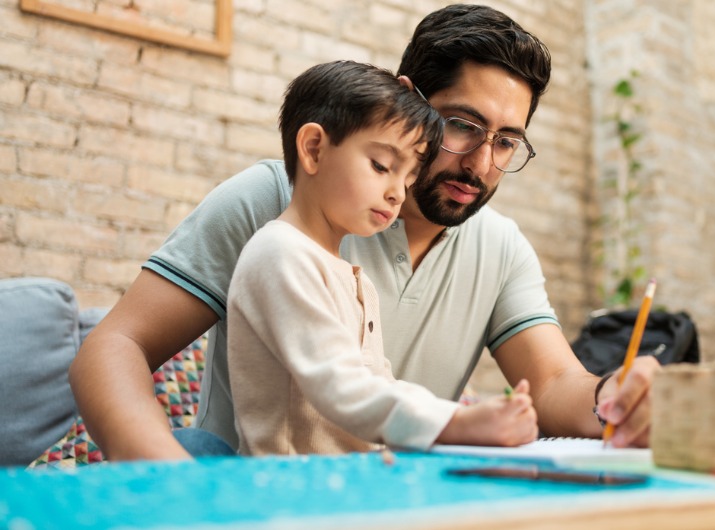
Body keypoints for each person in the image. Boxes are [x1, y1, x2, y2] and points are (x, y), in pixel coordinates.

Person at [69, 4, 659, 461]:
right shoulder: (273, 201)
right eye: (462, 126)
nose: (480, 164)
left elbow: (556, 382)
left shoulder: (501, 249)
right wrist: (165, 475)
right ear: (410, 100)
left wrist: (618, 393)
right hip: (245, 485)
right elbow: (115, 347)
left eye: (505, 141)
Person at [229, 60, 537, 455]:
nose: (397, 193)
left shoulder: (348, 274)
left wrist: (470, 414)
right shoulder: (280, 255)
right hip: (291, 494)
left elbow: (378, 383)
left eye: (407, 178)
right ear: (313, 149)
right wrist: (456, 423)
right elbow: (343, 388)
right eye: (381, 166)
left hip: (351, 485)